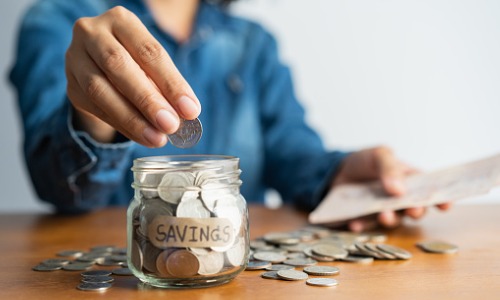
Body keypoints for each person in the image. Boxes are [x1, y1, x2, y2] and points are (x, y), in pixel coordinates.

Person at [9, 0, 449, 232]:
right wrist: (93, 109)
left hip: (232, 272)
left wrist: (339, 173)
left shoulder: (254, 43)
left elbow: (293, 154)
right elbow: (59, 188)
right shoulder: (61, 19)